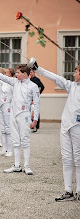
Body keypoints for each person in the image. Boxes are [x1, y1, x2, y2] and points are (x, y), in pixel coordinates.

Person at [28, 58, 80, 201]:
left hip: (77, 126)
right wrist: (39, 69)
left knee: (78, 158)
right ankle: (68, 190)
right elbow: (57, 78)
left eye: (76, 72)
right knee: (66, 158)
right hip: (65, 126)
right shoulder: (72, 86)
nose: (74, 74)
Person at [0, 61, 40, 175]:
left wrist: (35, 119)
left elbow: (36, 104)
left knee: (25, 140)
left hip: (24, 115)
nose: (16, 74)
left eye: (18, 72)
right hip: (13, 114)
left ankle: (26, 166)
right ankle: (17, 165)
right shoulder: (14, 82)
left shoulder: (33, 86)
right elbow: (1, 76)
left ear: (25, 74)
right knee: (15, 141)